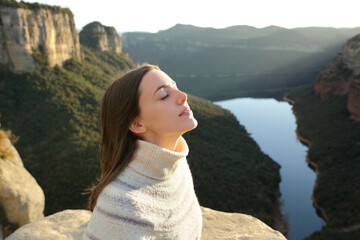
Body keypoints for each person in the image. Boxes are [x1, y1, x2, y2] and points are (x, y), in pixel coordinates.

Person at [83, 64, 202, 240]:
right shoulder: (121, 205)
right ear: (137, 124)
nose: (183, 96)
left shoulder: (177, 163)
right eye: (164, 95)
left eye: (175, 87)